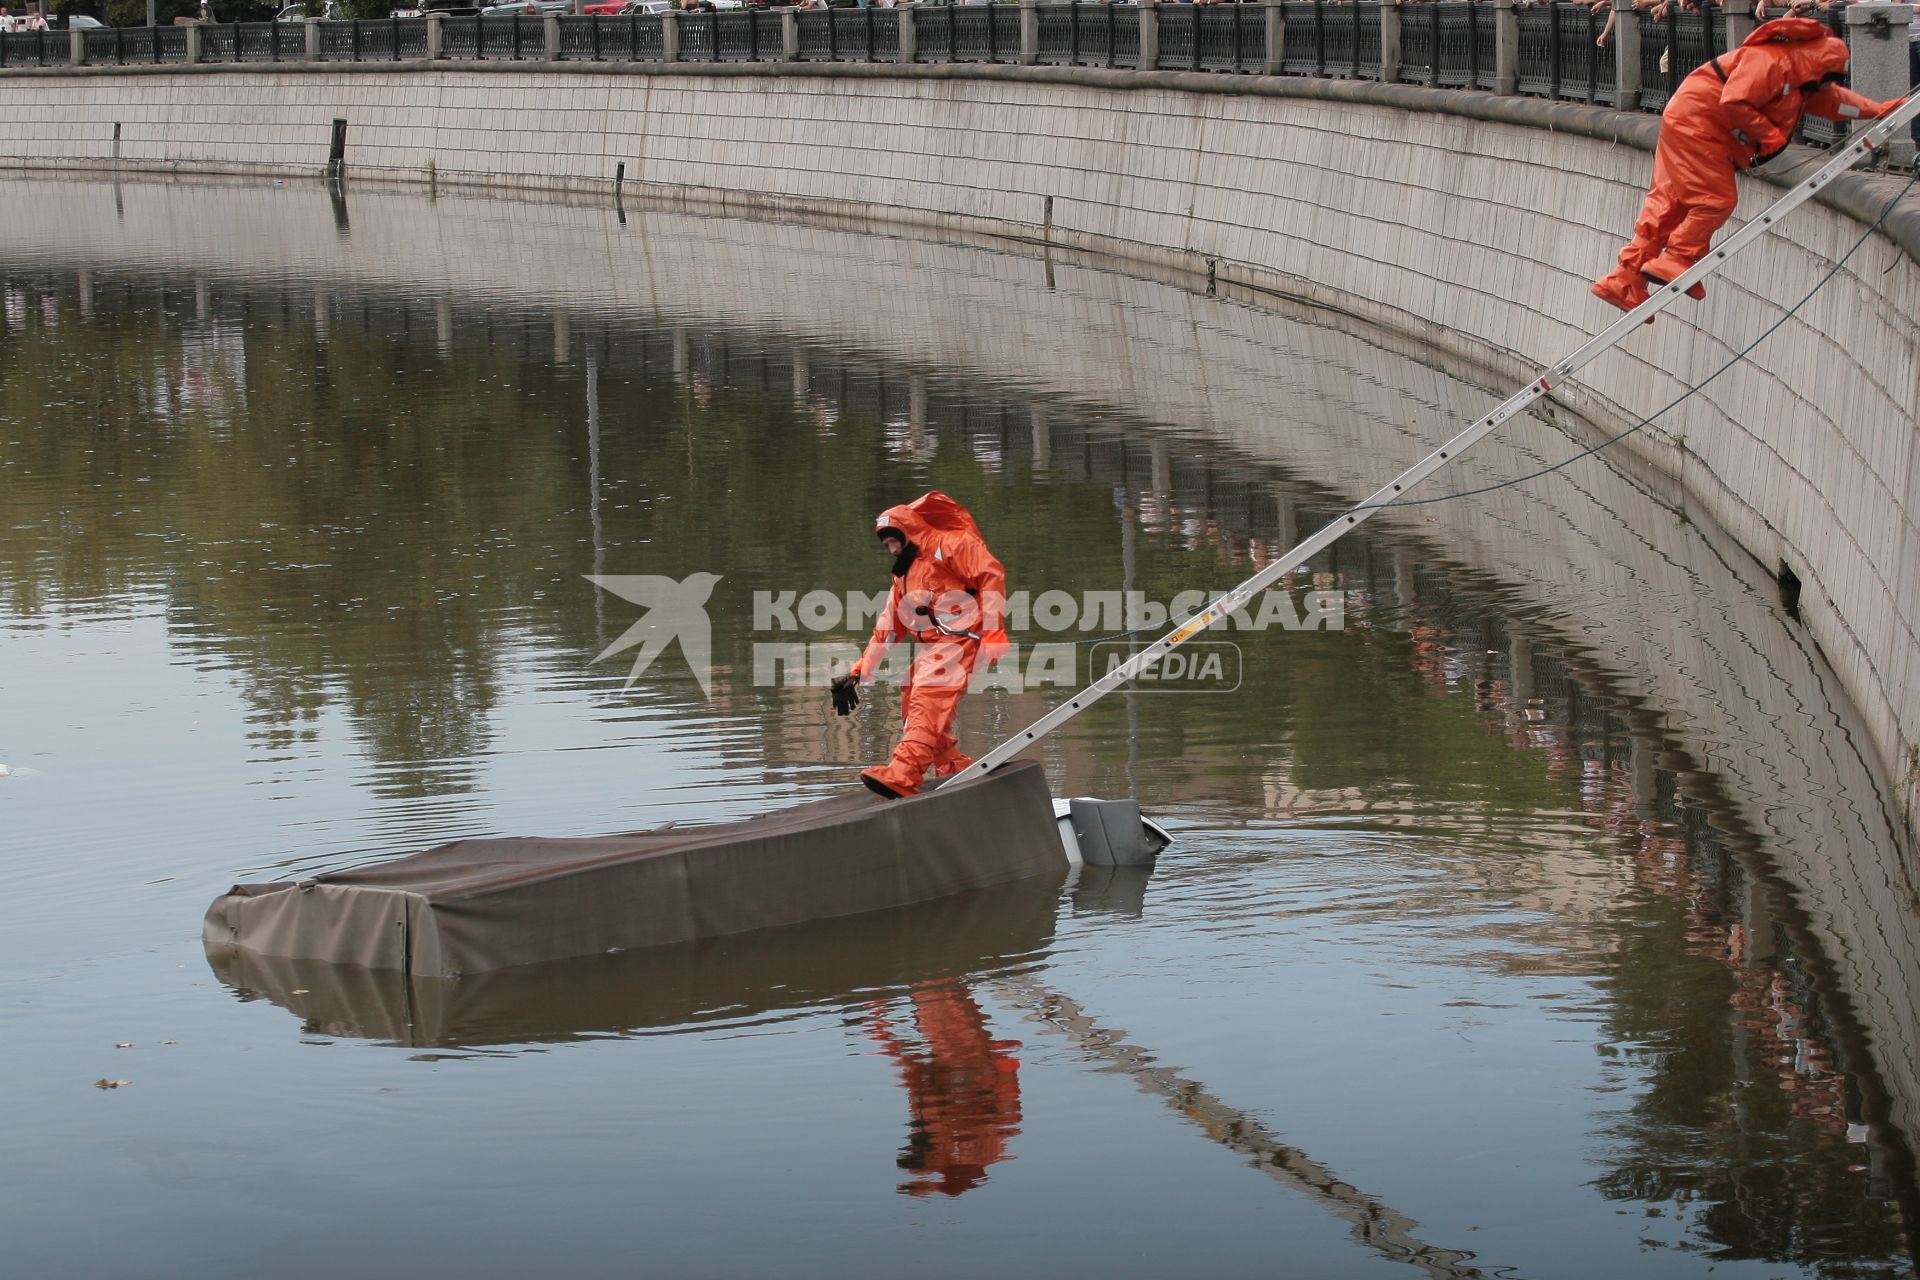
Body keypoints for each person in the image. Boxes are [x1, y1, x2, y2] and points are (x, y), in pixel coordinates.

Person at [1592, 15, 1903, 312]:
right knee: (1714, 200)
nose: (1827, 84)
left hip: (1691, 122)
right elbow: (1735, 100)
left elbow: (1835, 102)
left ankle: (1624, 280)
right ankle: (1678, 258)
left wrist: (1878, 109)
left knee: (1668, 203)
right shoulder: (1770, 62)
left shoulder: (1799, 78)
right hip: (1700, 126)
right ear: (1819, 65)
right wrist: (1768, 135)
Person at [830, 491, 1009, 799]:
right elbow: (887, 628)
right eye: (885, 545)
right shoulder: (904, 576)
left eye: (892, 540)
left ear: (906, 530)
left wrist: (993, 631)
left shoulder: (952, 544)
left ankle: (903, 773)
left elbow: (991, 576)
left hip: (963, 640)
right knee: (912, 691)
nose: (890, 549)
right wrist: (859, 672)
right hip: (937, 646)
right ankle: (951, 765)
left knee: (926, 700)